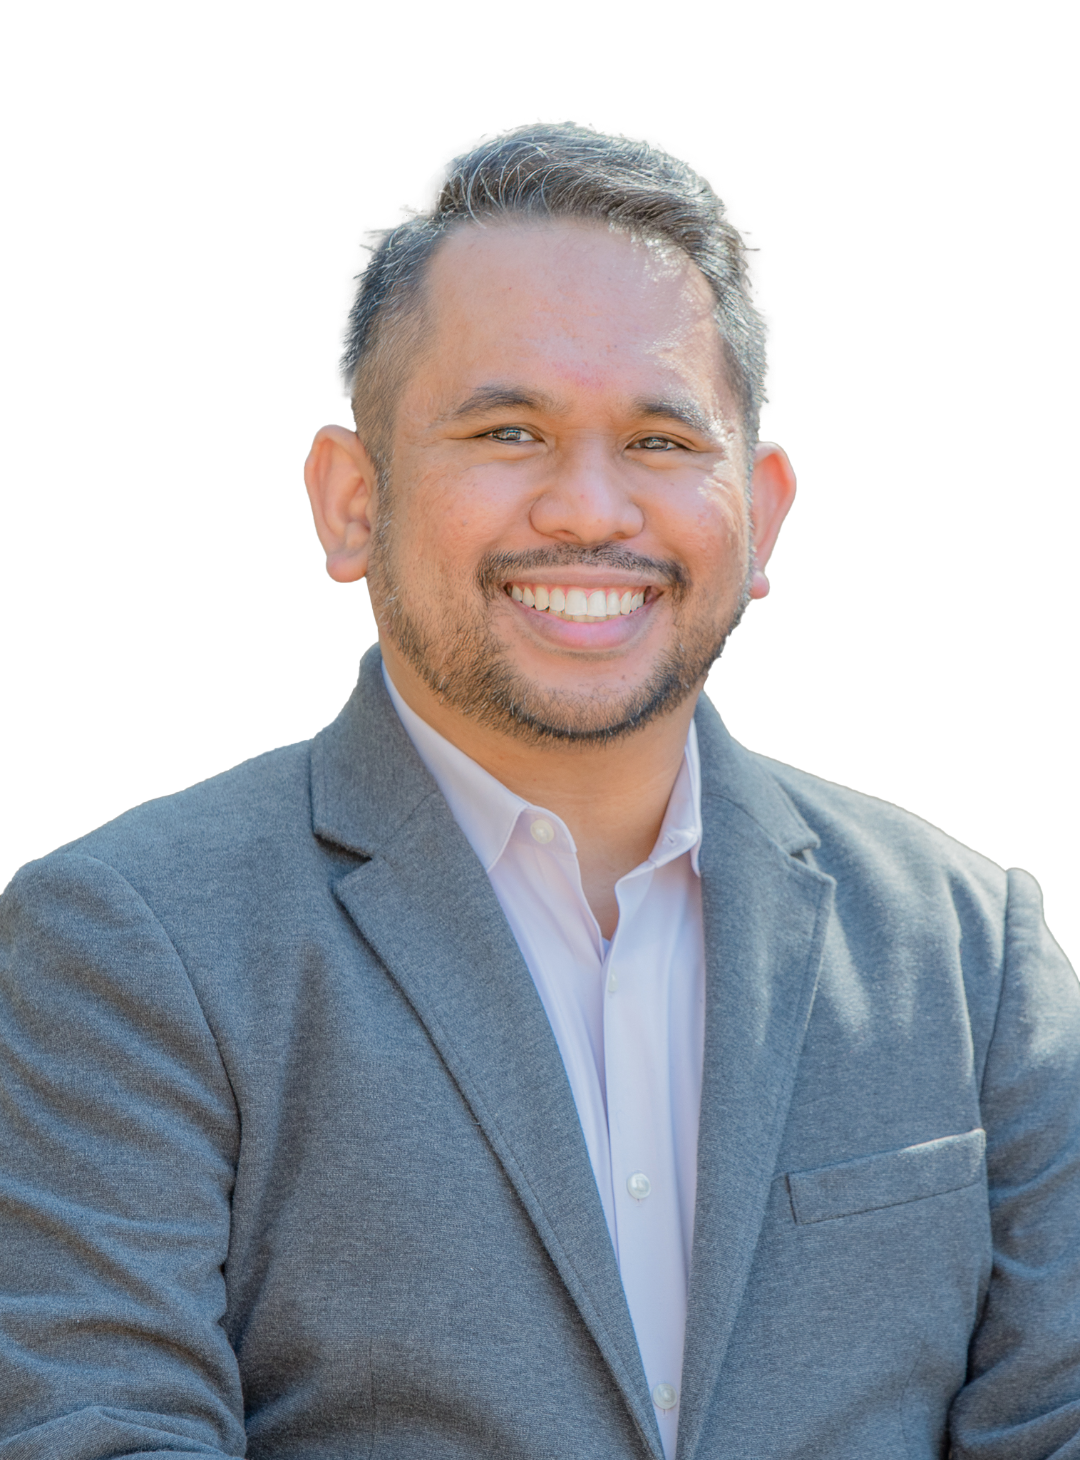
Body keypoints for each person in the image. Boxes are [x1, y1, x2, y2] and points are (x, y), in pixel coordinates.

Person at [1, 122, 1077, 1460]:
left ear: (762, 516)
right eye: (508, 429)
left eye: (661, 439)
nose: (588, 509)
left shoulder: (978, 955)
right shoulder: (125, 940)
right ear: (350, 501)